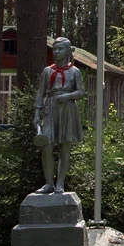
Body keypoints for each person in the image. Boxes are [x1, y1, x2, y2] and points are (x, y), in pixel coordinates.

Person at [34, 37, 85, 194]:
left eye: (60, 49)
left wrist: (69, 96)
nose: (56, 52)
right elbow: (40, 93)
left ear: (68, 51)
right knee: (47, 145)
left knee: (64, 146)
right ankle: (49, 182)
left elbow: (81, 92)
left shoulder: (74, 72)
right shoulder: (47, 71)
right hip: (50, 108)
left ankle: (60, 183)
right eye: (54, 49)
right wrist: (36, 113)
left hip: (68, 109)